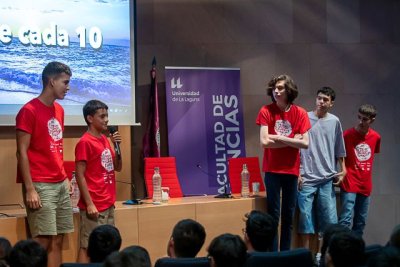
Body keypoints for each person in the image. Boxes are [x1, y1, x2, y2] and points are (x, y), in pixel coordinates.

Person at [15, 61, 74, 267]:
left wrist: (65, 176)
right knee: (42, 240)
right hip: (40, 183)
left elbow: (56, 146)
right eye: (65, 82)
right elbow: (21, 152)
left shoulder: (59, 110)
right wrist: (30, 189)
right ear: (51, 81)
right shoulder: (29, 110)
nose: (68, 87)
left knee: (58, 238)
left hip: (59, 182)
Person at [256, 74, 311, 251]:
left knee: (288, 217)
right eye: (275, 88)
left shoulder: (300, 113)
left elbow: (305, 143)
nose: (276, 91)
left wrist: (277, 137)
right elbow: (264, 142)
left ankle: (285, 254)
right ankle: (273, 256)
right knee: (273, 216)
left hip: (292, 171)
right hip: (272, 170)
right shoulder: (266, 110)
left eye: (280, 88)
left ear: (289, 91)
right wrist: (291, 139)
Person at [297, 87, 347, 250]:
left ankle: (321, 256)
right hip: (307, 177)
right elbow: (296, 147)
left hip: (327, 178)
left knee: (329, 220)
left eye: (325, 99)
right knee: (305, 218)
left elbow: (340, 148)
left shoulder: (334, 121)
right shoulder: (304, 117)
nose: (321, 102)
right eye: (319, 98)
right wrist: (297, 172)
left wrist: (344, 169)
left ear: (331, 103)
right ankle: (305, 255)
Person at [75, 99, 122, 262]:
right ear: (90, 118)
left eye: (107, 116)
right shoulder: (84, 142)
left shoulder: (105, 139)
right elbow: (79, 175)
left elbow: (117, 167)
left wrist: (116, 146)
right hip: (94, 203)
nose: (106, 120)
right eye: (102, 116)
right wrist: (89, 204)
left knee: (108, 246)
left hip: (108, 202)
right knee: (87, 245)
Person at [339, 104, 381, 237]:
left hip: (365, 184)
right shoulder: (347, 135)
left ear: (372, 120)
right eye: (359, 118)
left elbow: (370, 157)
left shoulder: (376, 137)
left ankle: (354, 253)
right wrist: (343, 170)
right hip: (350, 181)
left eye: (365, 119)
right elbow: (340, 155)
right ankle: (340, 252)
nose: (361, 122)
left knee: (360, 222)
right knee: (345, 219)